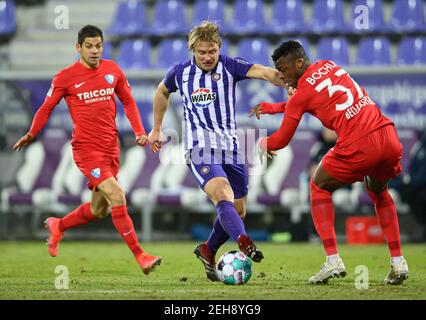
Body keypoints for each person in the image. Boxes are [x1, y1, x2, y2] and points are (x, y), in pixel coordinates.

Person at [253, 40, 408, 285]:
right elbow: (316, 100)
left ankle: (333, 259)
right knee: (378, 192)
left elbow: (281, 139)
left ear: (299, 63)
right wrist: (276, 107)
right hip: (387, 136)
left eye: (283, 69)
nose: (280, 75)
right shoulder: (329, 65)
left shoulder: (301, 94)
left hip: (359, 144)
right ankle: (398, 262)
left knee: (318, 185)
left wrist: (263, 144)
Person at [13, 25, 161, 275]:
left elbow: (127, 100)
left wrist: (138, 131)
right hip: (86, 150)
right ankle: (141, 255)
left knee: (98, 210)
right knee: (117, 196)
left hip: (111, 149)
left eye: (99, 46)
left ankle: (58, 225)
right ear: (78, 47)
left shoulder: (112, 70)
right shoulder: (65, 77)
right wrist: (32, 133)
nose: (94, 51)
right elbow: (46, 107)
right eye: (89, 46)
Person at [147, 20, 284, 281]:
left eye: (212, 51)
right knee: (222, 193)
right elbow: (162, 92)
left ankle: (208, 250)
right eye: (202, 52)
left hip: (231, 148)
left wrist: (288, 80)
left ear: (219, 48)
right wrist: (156, 129)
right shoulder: (180, 73)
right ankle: (243, 240)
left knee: (239, 209)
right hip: (199, 148)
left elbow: (265, 72)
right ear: (193, 51)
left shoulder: (230, 66)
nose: (208, 57)